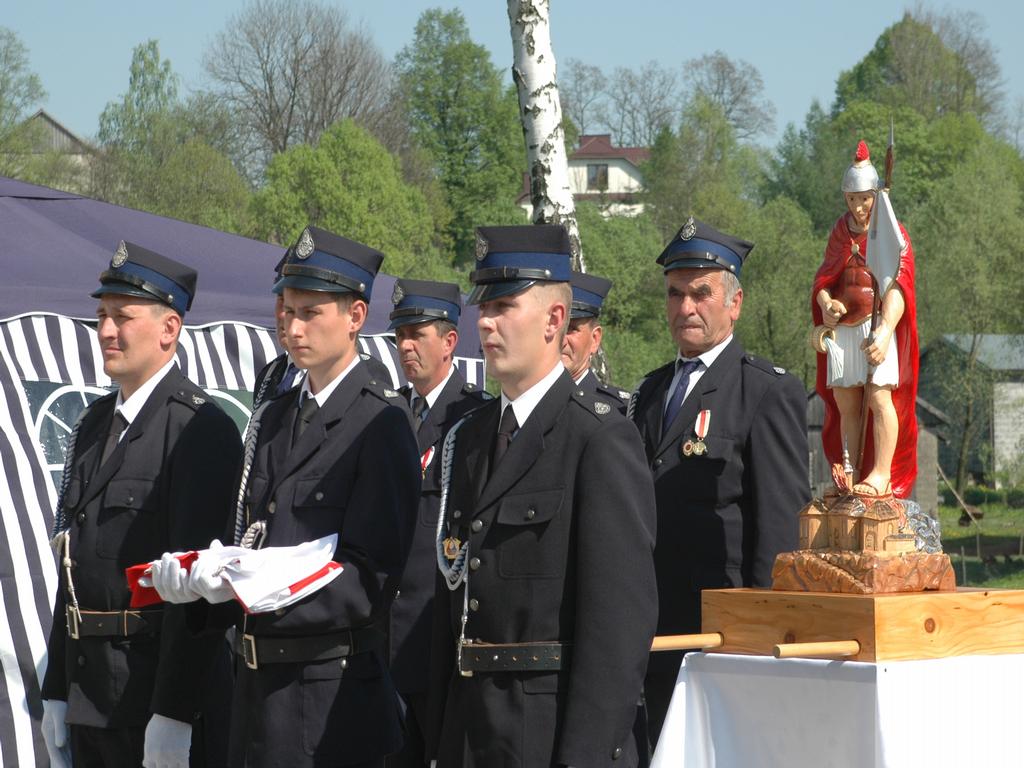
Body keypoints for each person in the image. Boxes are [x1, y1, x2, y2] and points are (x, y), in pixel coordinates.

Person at [152, 225, 421, 768]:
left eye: (311, 312)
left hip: (328, 705)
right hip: (256, 697)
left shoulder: (381, 423)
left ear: (355, 316)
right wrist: (207, 584)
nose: (293, 328)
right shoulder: (274, 417)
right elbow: (251, 534)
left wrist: (254, 586)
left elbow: (368, 580)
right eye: (288, 310)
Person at [427, 225, 657, 767]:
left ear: (555, 320)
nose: (485, 322)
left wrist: (583, 758)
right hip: (473, 734)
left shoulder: (599, 438)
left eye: (504, 306)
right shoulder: (471, 437)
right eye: (484, 308)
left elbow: (618, 628)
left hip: (547, 735)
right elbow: (453, 605)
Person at [40, 241, 243, 768]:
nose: (107, 331)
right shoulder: (92, 424)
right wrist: (56, 686)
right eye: (101, 317)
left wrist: (175, 711)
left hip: (151, 696)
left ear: (169, 329)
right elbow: (73, 564)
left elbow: (201, 592)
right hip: (91, 695)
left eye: (123, 317)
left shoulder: (200, 430)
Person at [629, 217, 809, 745]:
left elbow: (779, 531)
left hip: (721, 631)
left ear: (734, 303)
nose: (685, 307)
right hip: (651, 624)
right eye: (675, 294)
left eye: (701, 293)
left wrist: (760, 636)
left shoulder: (764, 391)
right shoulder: (651, 392)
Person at [386, 278, 491, 768]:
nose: (405, 345)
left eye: (417, 334)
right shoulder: (388, 414)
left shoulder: (474, 418)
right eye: (400, 335)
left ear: (449, 341)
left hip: (435, 635)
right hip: (384, 637)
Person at [811, 140, 919, 498]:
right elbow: (824, 279)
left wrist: (886, 331)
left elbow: (898, 286)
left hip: (876, 327)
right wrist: (827, 304)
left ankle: (881, 474)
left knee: (878, 397)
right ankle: (849, 474)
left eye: (865, 199)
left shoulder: (892, 234)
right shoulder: (840, 233)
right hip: (844, 329)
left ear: (876, 196)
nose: (858, 207)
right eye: (852, 199)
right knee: (846, 404)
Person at [562, 271, 632, 414]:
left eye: (571, 329)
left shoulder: (619, 411)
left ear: (595, 339)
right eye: (553, 327)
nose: (561, 341)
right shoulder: (521, 402)